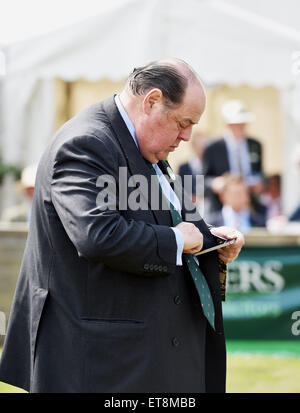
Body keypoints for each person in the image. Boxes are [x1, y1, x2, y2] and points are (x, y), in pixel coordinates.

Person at [0, 58, 244, 393]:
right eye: (182, 123)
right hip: (102, 364)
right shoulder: (86, 143)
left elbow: (169, 219)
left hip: (150, 357)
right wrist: (176, 241)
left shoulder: (147, 145)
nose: (187, 136)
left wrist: (211, 240)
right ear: (152, 101)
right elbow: (97, 235)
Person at [202, 99, 264, 216]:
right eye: (237, 124)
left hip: (250, 207)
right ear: (228, 124)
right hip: (221, 209)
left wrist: (258, 183)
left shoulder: (255, 145)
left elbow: (260, 173)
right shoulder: (213, 148)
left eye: (243, 123)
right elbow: (201, 181)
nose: (241, 127)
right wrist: (214, 183)